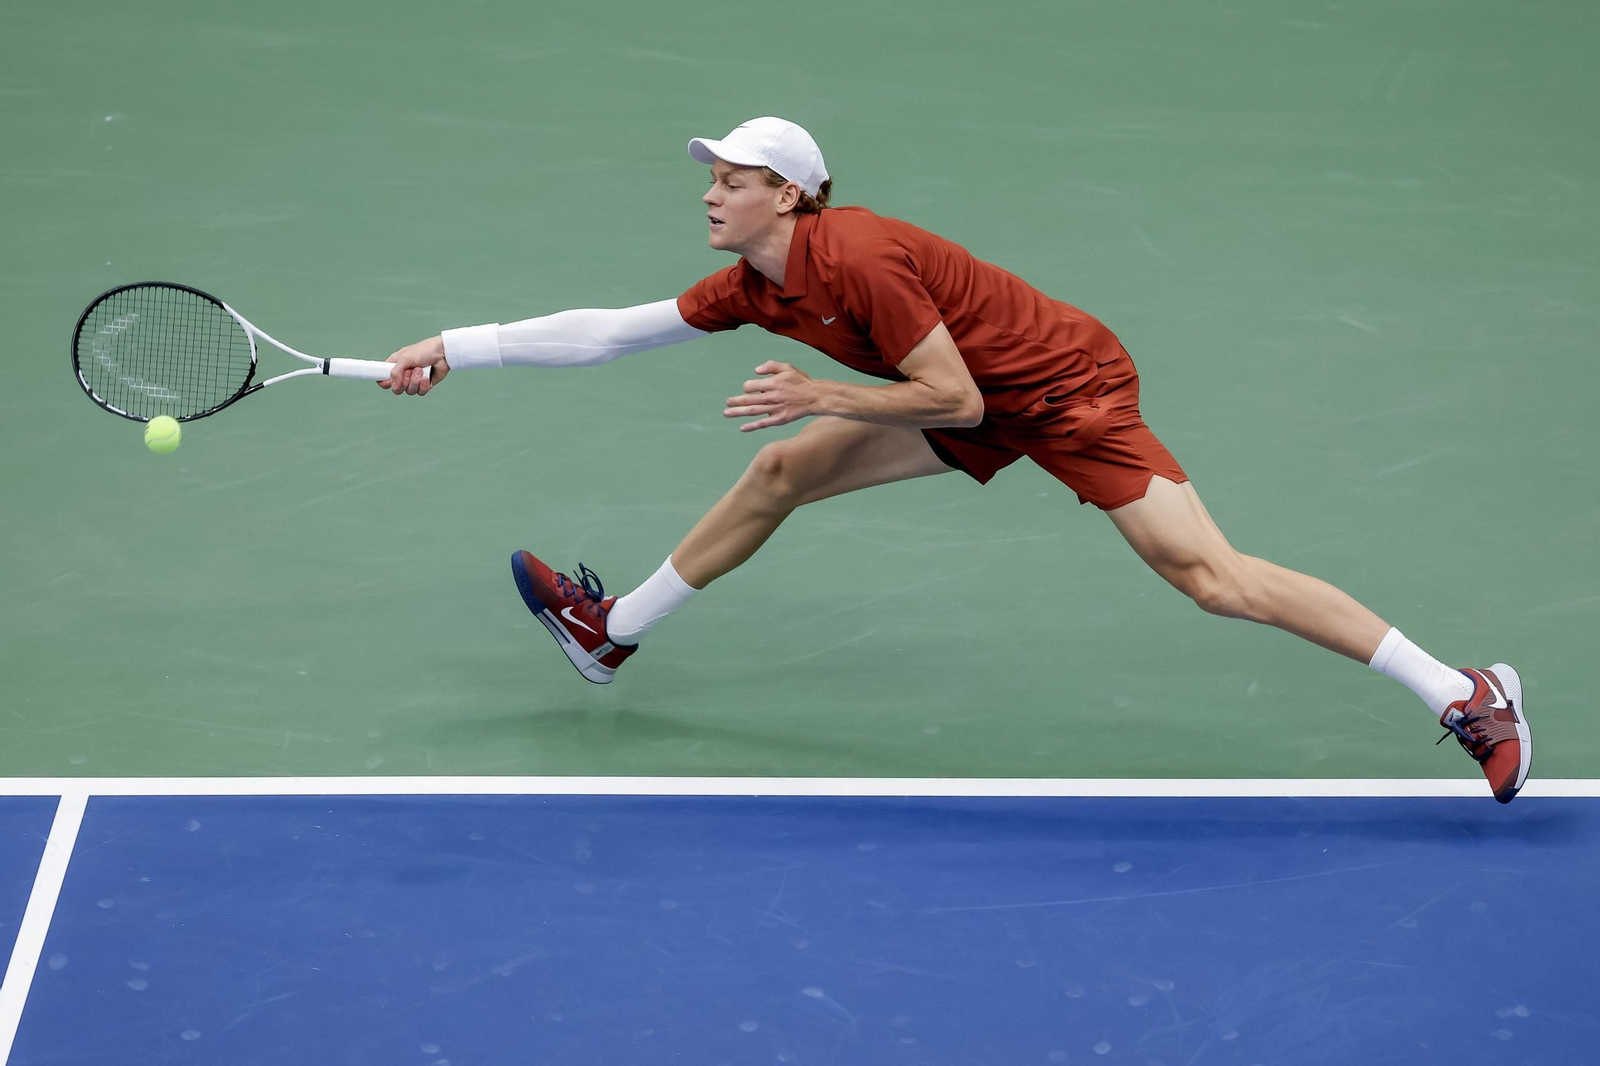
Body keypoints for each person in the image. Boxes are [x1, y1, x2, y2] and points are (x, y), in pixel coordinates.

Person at [378, 117, 1530, 802]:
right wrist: (453, 347)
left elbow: (957, 395)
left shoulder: (861, 255)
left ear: (787, 192)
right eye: (713, 176)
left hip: (1066, 390)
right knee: (781, 476)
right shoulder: (749, 284)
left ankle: (1464, 692)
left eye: (729, 178)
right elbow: (611, 328)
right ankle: (609, 633)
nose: (710, 192)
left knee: (1208, 579)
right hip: (969, 397)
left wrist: (820, 391)